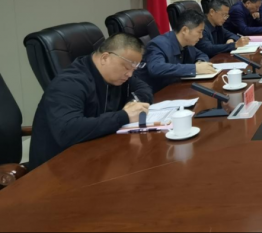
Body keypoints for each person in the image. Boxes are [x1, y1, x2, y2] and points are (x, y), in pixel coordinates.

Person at [30, 34, 153, 170]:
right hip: (57, 168)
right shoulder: (68, 83)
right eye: (127, 67)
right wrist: (124, 116)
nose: (130, 74)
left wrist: (133, 103)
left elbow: (144, 89)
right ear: (105, 58)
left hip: (96, 156)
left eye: (133, 69)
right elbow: (67, 131)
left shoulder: (118, 76)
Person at [137, 9, 215, 93]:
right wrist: (195, 68)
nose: (201, 36)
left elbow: (201, 54)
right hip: (155, 94)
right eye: (199, 32)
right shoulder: (158, 45)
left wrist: (200, 62)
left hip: (175, 89)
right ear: (185, 30)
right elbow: (156, 68)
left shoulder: (187, 44)